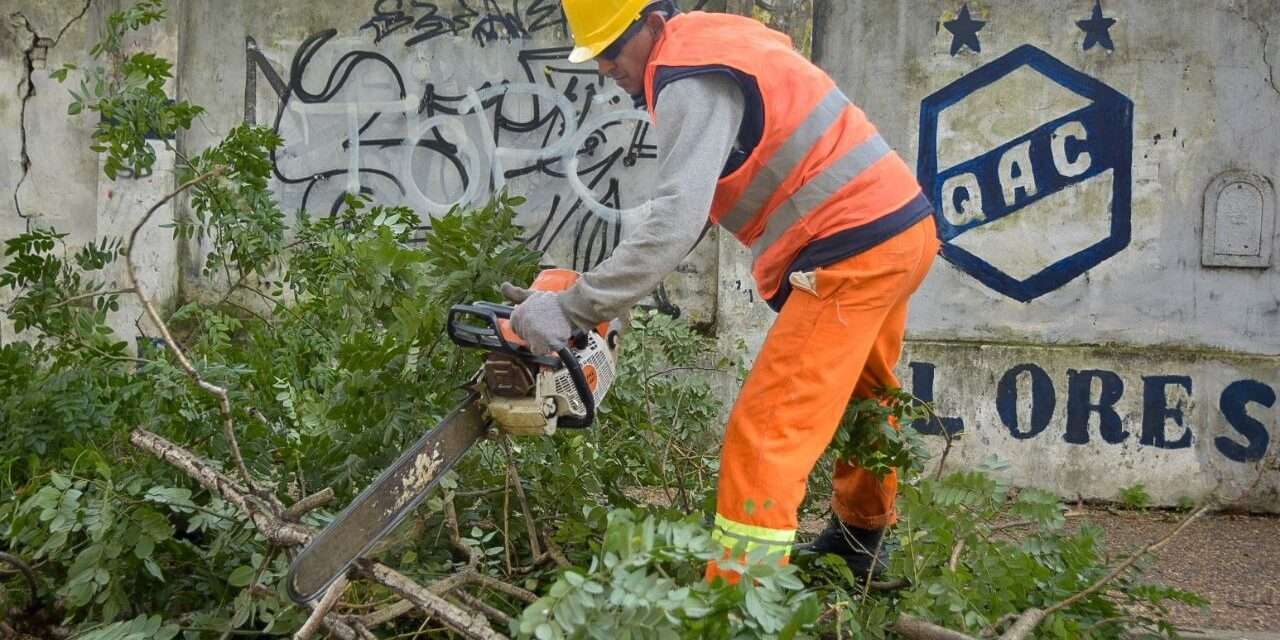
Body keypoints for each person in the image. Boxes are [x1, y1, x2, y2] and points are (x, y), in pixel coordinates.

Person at [501, 0, 940, 583]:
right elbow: (694, 210)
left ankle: (738, 603)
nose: (606, 68)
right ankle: (862, 539)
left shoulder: (685, 76)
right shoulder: (717, 44)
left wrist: (576, 307)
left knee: (765, 435)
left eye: (610, 50)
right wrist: (606, 302)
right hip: (900, 230)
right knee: (868, 392)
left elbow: (674, 224)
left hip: (850, 250)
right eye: (596, 57)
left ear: (653, 24)